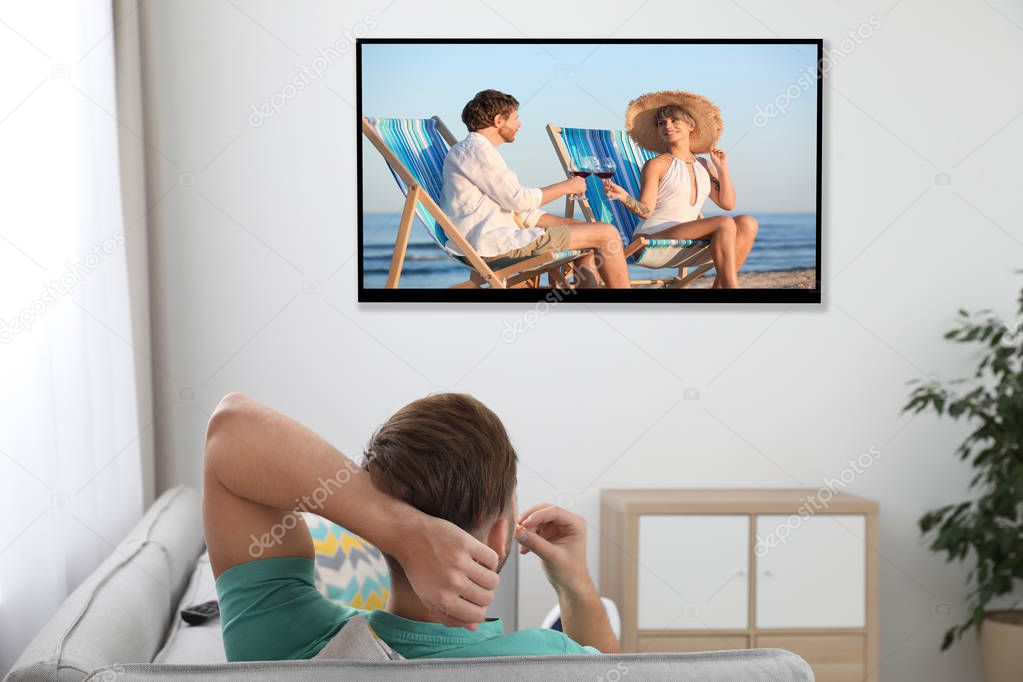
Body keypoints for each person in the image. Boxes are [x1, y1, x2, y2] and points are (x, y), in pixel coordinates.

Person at [203, 391, 619, 660]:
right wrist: (575, 586)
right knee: (607, 616)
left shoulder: (289, 644)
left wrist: (402, 531)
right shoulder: (551, 659)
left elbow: (230, 428)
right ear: (500, 533)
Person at [441, 89, 630, 288]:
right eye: (515, 119)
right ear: (498, 121)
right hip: (492, 246)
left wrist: (568, 222)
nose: (519, 124)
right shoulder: (477, 152)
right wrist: (566, 187)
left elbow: (518, 211)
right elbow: (519, 200)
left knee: (589, 232)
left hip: (492, 240)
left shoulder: (476, 152)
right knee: (607, 233)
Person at [602, 90, 759, 289]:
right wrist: (625, 197)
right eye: (661, 123)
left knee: (747, 223)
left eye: (674, 120)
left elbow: (727, 203)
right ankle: (731, 288)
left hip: (687, 237)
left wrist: (722, 167)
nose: (667, 126)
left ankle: (722, 288)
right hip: (653, 237)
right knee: (724, 224)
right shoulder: (656, 165)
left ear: (691, 126)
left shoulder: (703, 164)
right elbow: (646, 211)